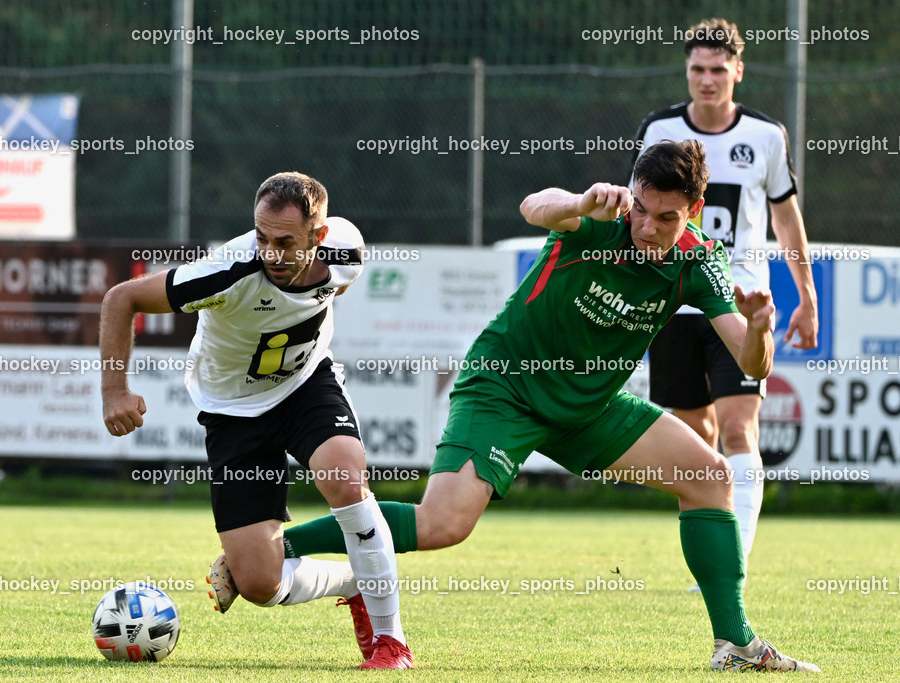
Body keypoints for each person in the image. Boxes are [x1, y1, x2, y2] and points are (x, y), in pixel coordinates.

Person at [210, 142, 819, 672]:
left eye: (665, 218)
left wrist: (760, 328)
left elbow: (753, 363)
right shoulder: (601, 220)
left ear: (693, 212)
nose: (646, 227)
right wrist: (582, 202)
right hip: (506, 387)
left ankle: (735, 644)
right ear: (630, 193)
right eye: (640, 208)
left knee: (711, 478)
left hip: (588, 408)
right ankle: (280, 550)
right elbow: (535, 206)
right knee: (443, 525)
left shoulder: (699, 259)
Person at [98, 171, 413, 670]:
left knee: (346, 479)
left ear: (319, 236)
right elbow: (122, 298)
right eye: (262, 237)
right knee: (260, 584)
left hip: (304, 386)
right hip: (233, 411)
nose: (270, 252)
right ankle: (354, 582)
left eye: (285, 242)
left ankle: (390, 641)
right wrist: (115, 390)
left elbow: (330, 291)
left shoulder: (345, 252)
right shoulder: (227, 272)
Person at [633, 18, 819, 582]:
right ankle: (713, 553)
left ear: (738, 70)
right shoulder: (660, 129)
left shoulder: (765, 136)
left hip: (738, 306)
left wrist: (806, 297)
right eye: (697, 68)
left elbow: (786, 222)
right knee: (698, 442)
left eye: (718, 69)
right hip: (675, 305)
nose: (707, 79)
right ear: (686, 71)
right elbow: (640, 214)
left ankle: (732, 563)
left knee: (738, 430)